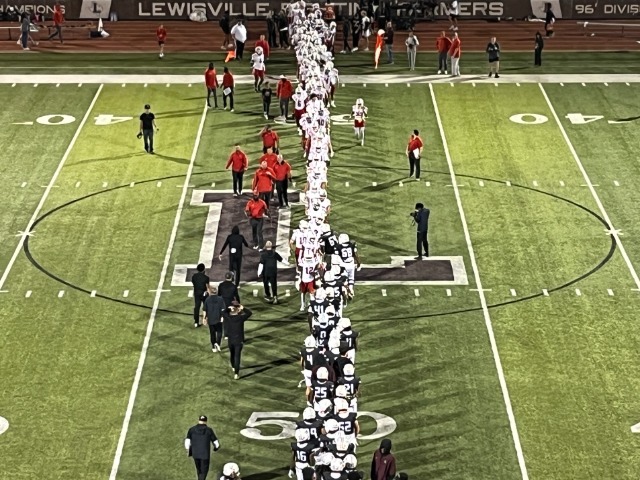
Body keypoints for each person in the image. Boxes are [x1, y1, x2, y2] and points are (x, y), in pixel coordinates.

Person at [184, 415, 220, 480]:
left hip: (195, 454)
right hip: (205, 455)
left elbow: (187, 441)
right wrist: (216, 448)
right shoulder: (209, 430)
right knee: (203, 472)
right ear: (206, 421)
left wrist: (188, 449)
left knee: (199, 470)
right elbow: (216, 442)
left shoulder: (192, 429)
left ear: (199, 420)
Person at [223, 301, 252, 379]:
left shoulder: (228, 318)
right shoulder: (241, 318)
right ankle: (236, 373)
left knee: (232, 354)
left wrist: (228, 309)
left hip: (231, 340)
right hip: (239, 340)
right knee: (237, 356)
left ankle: (233, 367)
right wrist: (243, 308)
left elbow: (223, 312)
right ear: (238, 310)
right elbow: (249, 313)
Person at [203, 286, 226, 352]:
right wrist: (222, 317)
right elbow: (223, 309)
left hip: (211, 319)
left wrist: (204, 319)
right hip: (218, 318)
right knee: (219, 332)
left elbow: (205, 310)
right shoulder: (220, 299)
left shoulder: (207, 299)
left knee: (212, 333)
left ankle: (213, 346)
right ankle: (218, 343)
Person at [192, 263, 211, 328]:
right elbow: (207, 286)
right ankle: (206, 319)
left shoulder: (194, 276)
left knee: (197, 307)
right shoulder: (206, 278)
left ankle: (196, 322)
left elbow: (194, 283)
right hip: (204, 293)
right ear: (204, 269)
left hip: (197, 293)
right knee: (206, 306)